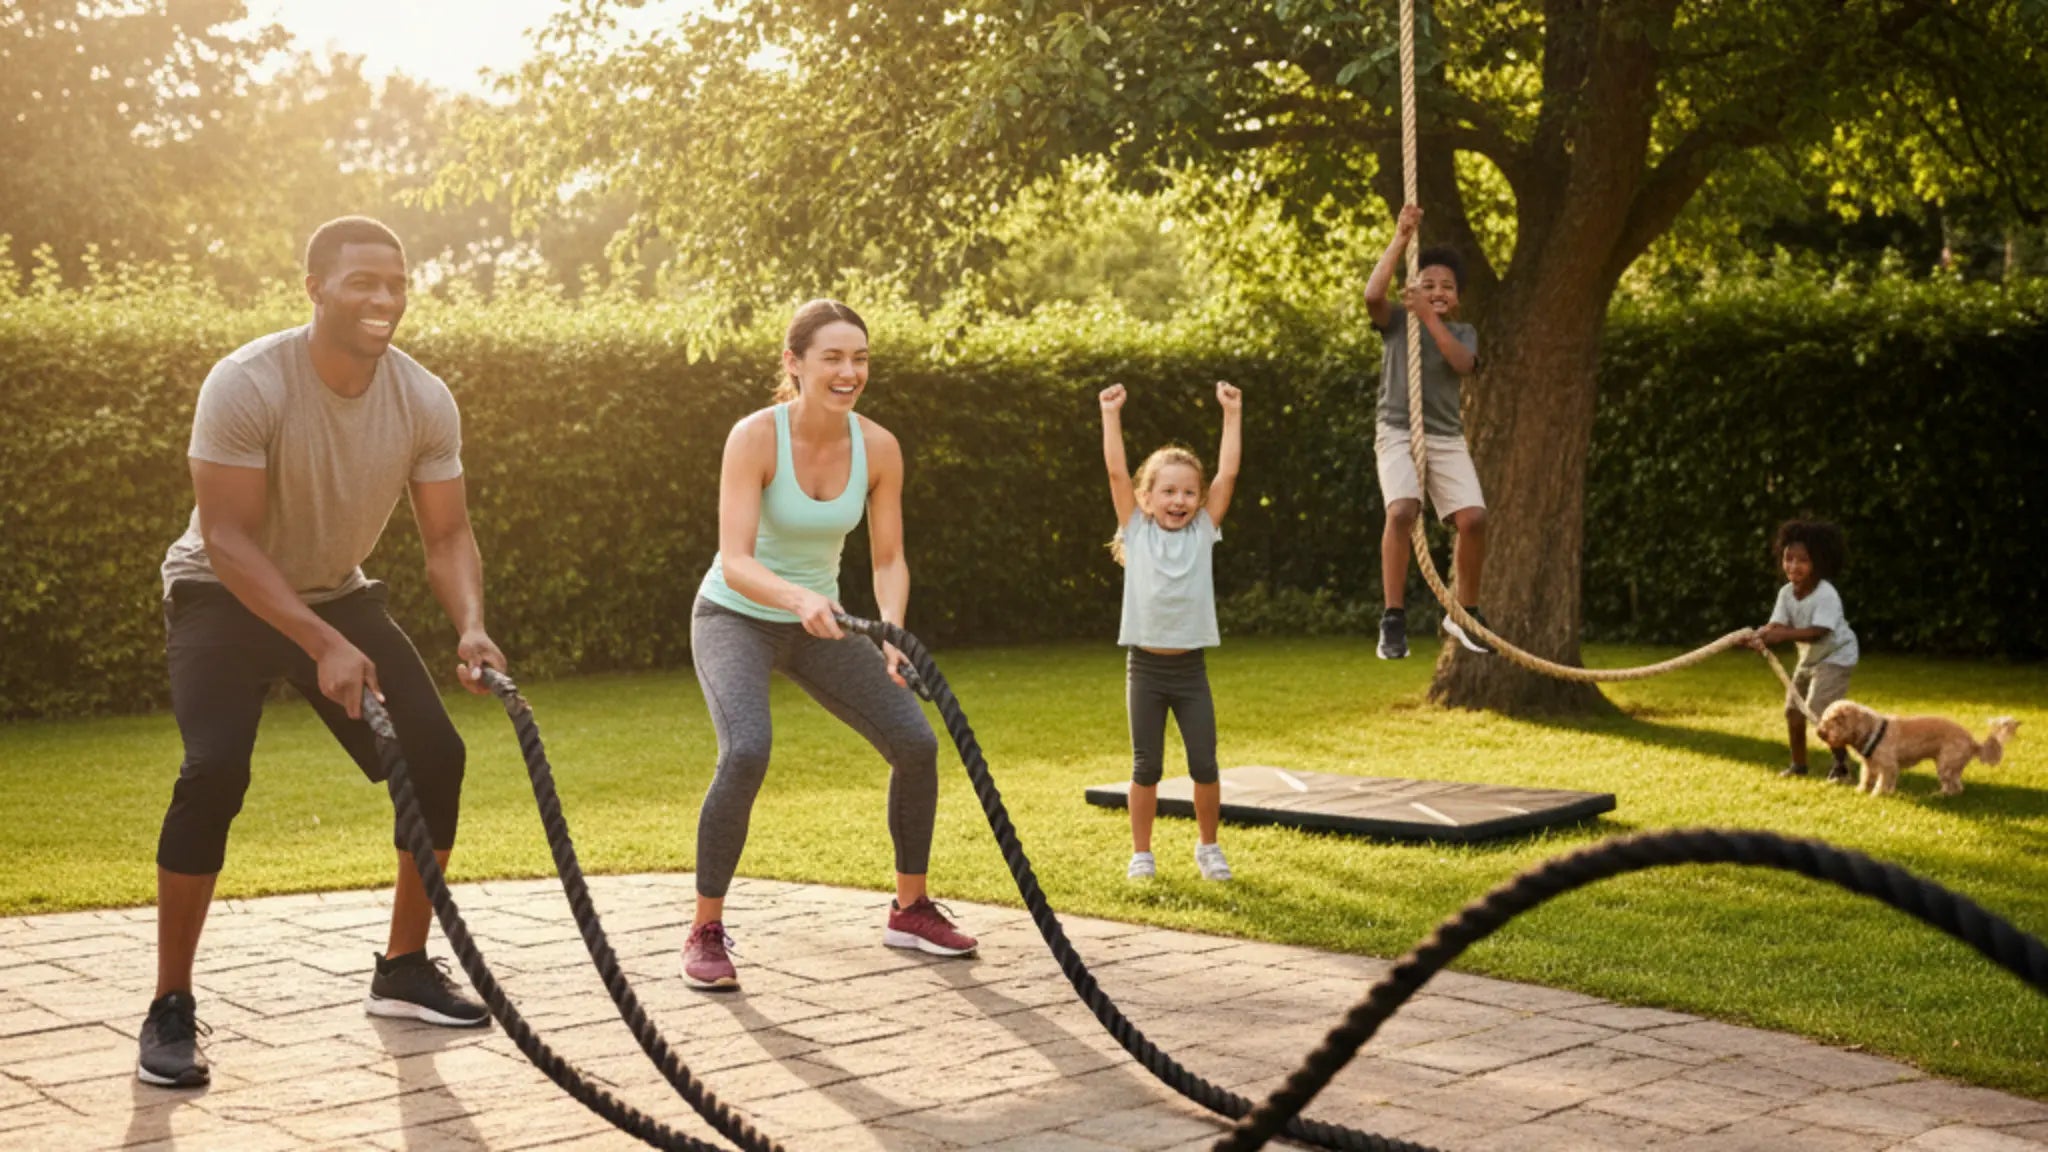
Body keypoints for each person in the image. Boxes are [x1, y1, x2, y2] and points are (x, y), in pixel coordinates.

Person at [141, 216, 506, 1089]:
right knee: (214, 771)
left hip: (335, 588)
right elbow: (227, 537)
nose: (384, 299)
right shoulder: (247, 381)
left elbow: (448, 533)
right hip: (219, 591)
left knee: (437, 755)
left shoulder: (423, 397)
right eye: (362, 283)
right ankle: (170, 1004)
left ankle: (404, 969)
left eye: (396, 283)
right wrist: (321, 642)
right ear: (314, 289)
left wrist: (471, 625)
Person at [682, 299, 975, 990]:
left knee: (916, 744)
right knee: (747, 749)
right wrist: (796, 597)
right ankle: (705, 928)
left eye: (861, 359)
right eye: (833, 358)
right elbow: (734, 560)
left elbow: (888, 556)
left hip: (824, 624)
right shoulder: (754, 437)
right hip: (736, 616)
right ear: (795, 363)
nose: (850, 372)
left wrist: (892, 629)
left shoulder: (879, 447)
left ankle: (910, 910)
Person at [1097, 380, 1243, 881]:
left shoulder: (1204, 528)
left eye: (1188, 492)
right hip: (1145, 669)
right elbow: (1116, 469)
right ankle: (1142, 853)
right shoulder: (1136, 530)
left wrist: (1231, 414)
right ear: (1147, 497)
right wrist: (1110, 414)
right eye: (1169, 491)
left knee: (1204, 762)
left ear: (1199, 500)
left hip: (1190, 670)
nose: (1179, 500)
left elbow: (1228, 472)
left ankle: (1209, 847)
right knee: (1146, 767)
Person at [1363, 204, 1491, 660]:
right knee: (1401, 510)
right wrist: (1400, 238)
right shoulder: (1398, 322)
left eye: (1447, 287)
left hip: (1445, 436)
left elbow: (1461, 363)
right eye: (1429, 284)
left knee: (1473, 519)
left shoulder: (1463, 332)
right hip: (1398, 429)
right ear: (1414, 287)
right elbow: (1372, 296)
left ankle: (1465, 613)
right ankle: (1393, 617)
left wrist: (1430, 317)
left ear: (1457, 297)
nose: (1438, 292)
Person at [1748, 519, 1858, 781]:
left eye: (1802, 560)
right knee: (1793, 712)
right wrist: (1760, 634)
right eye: (1789, 559)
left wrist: (1781, 635)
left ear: (1819, 563)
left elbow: (1818, 631)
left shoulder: (1825, 594)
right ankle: (1799, 765)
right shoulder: (1787, 592)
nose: (1793, 566)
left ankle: (1843, 767)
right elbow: (1777, 623)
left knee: (1819, 710)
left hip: (1836, 656)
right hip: (1809, 659)